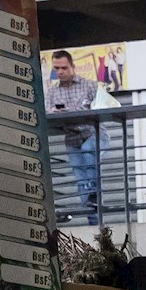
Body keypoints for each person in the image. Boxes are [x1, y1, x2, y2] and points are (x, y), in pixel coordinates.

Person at [46, 51, 99, 224]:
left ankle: (94, 196)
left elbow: (103, 106)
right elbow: (46, 112)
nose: (60, 72)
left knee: (88, 152)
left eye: (64, 68)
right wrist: (53, 113)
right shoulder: (52, 92)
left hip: (92, 133)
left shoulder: (90, 86)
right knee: (80, 179)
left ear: (72, 67)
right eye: (56, 68)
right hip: (71, 138)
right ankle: (93, 219)